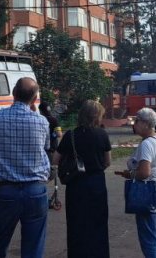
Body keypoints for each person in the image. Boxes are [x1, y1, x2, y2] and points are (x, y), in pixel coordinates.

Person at [0, 77, 50, 258]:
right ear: (34, 97)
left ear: (13, 93)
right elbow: (44, 149)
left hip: (5, 191)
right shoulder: (42, 122)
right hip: (35, 189)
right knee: (33, 247)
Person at [53, 100, 112, 258]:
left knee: (76, 224)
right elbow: (108, 161)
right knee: (98, 223)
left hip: (76, 185)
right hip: (97, 184)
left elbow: (55, 159)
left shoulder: (70, 135)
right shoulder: (102, 134)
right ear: (97, 116)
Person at [116, 107, 156, 258]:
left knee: (148, 236)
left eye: (136, 121)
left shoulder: (147, 144)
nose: (134, 124)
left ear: (144, 123)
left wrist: (129, 174)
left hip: (150, 192)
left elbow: (144, 173)